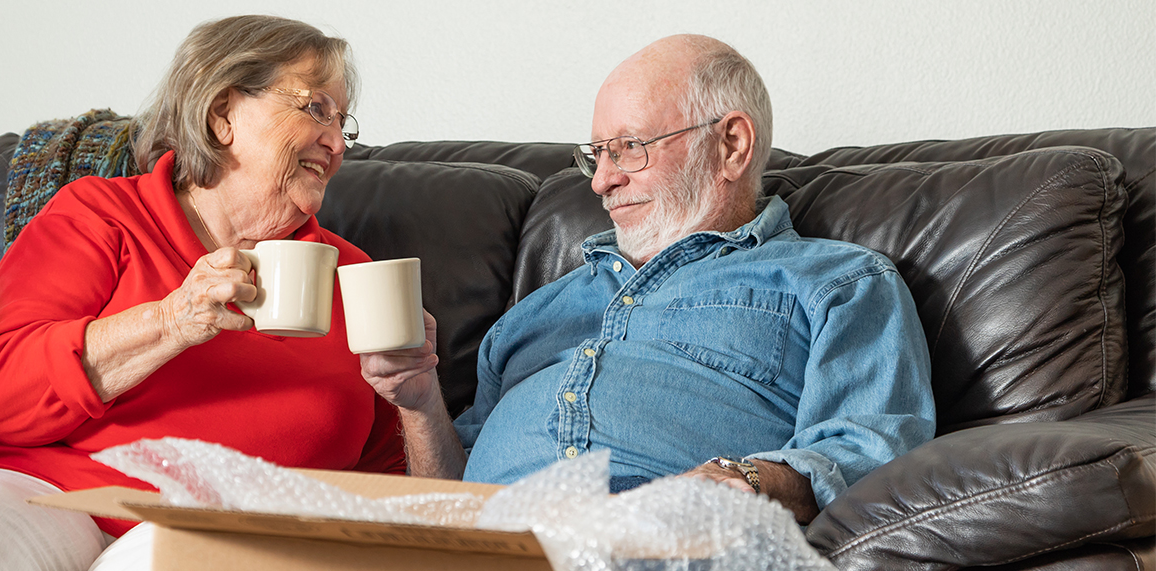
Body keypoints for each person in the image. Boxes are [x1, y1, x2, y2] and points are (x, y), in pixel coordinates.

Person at [0, 15, 425, 570]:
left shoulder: (356, 276)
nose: (336, 140)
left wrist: (422, 402)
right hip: (42, 493)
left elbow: (408, 500)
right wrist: (171, 321)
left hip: (227, 529)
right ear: (222, 113)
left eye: (342, 123)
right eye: (315, 108)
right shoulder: (99, 216)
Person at [365, 35, 937, 524]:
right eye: (596, 156)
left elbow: (874, 448)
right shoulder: (534, 315)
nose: (600, 182)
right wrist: (418, 401)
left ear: (731, 145)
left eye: (628, 148)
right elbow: (444, 497)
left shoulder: (837, 283)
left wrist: (746, 481)